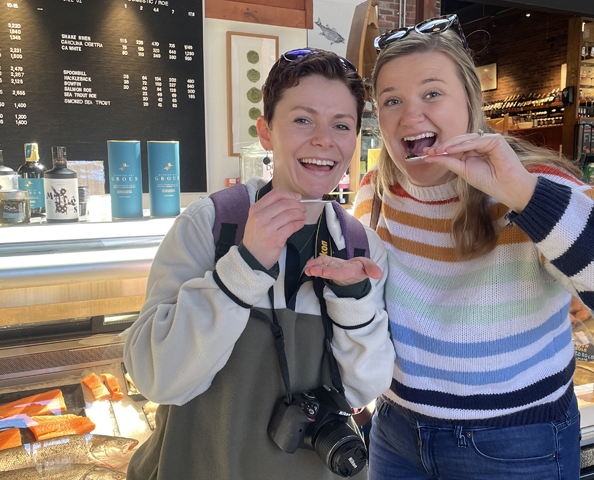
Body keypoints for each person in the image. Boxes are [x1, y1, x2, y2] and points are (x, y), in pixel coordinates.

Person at [353, 15, 594, 480]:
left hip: (515, 443)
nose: (410, 115)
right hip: (394, 433)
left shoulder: (536, 187)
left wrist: (528, 198)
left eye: (432, 93)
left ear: (471, 104)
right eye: (391, 100)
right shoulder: (375, 192)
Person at [124, 48, 396, 480]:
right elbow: (156, 378)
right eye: (303, 119)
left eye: (341, 125)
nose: (324, 140)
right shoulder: (212, 224)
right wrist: (244, 266)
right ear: (266, 132)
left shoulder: (361, 247)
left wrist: (351, 299)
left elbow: (364, 389)